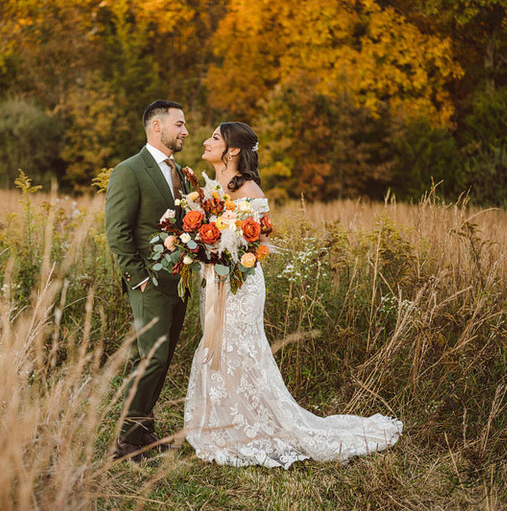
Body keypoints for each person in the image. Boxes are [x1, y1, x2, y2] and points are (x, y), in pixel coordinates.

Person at [183, 122, 403, 468]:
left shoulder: (249, 190)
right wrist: (199, 245)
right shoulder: (208, 188)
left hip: (241, 285)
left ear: (233, 150)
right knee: (217, 350)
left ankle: (257, 429)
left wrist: (221, 248)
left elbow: (261, 244)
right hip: (215, 282)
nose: (206, 141)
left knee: (240, 352)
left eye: (214, 137)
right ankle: (223, 426)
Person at [105, 100, 190, 462]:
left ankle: (143, 433)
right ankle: (124, 444)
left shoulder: (182, 174)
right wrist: (138, 279)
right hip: (149, 284)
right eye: (180, 124)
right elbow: (117, 232)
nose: (185, 131)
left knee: (164, 358)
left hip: (178, 283)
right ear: (157, 127)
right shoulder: (129, 170)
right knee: (150, 359)